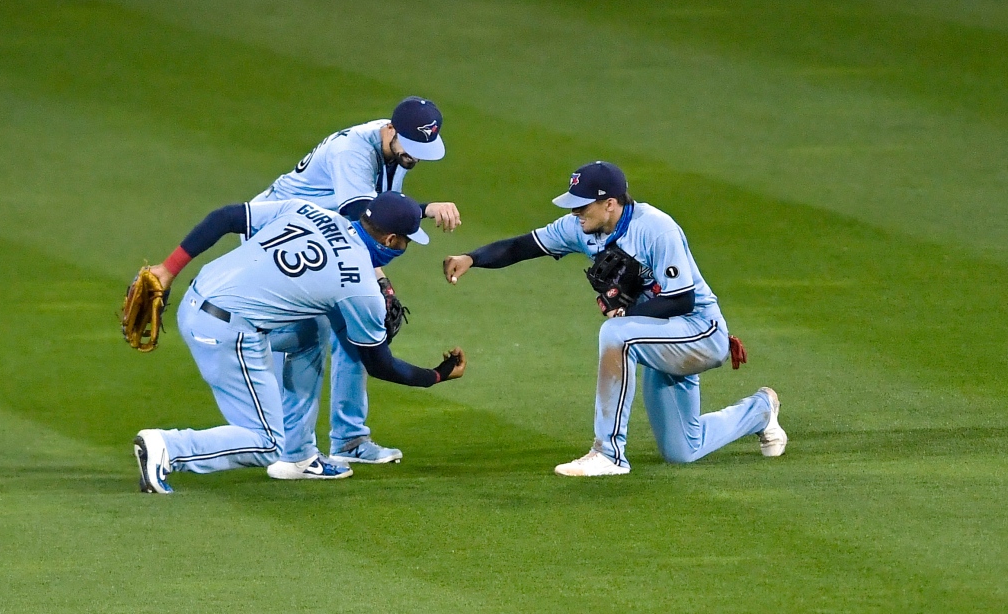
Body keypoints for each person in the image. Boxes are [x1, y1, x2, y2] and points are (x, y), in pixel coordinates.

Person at [442, 161, 786, 476]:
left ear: (610, 203)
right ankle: (760, 410)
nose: (575, 211)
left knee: (617, 335)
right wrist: (471, 258)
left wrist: (629, 313)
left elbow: (682, 299)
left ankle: (609, 453)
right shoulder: (581, 227)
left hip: (700, 333)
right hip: (660, 338)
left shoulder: (656, 228)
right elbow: (523, 246)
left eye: (583, 204)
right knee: (682, 449)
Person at [134, 191, 466, 493]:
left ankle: (298, 457)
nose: (404, 248)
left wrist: (168, 269)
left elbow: (227, 217)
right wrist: (435, 375)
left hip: (198, 296)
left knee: (310, 333)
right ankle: (167, 448)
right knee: (264, 443)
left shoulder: (308, 211)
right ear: (391, 240)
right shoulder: (361, 287)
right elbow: (379, 364)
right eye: (405, 241)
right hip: (227, 333)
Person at [255, 96, 460, 472]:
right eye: (411, 148)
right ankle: (291, 450)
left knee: (356, 328)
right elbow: (360, 219)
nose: (415, 156)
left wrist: (378, 282)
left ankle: (348, 440)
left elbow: (379, 213)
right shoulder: (353, 152)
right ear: (392, 131)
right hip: (276, 239)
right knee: (307, 336)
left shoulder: (396, 148)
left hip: (321, 239)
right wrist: (423, 212)